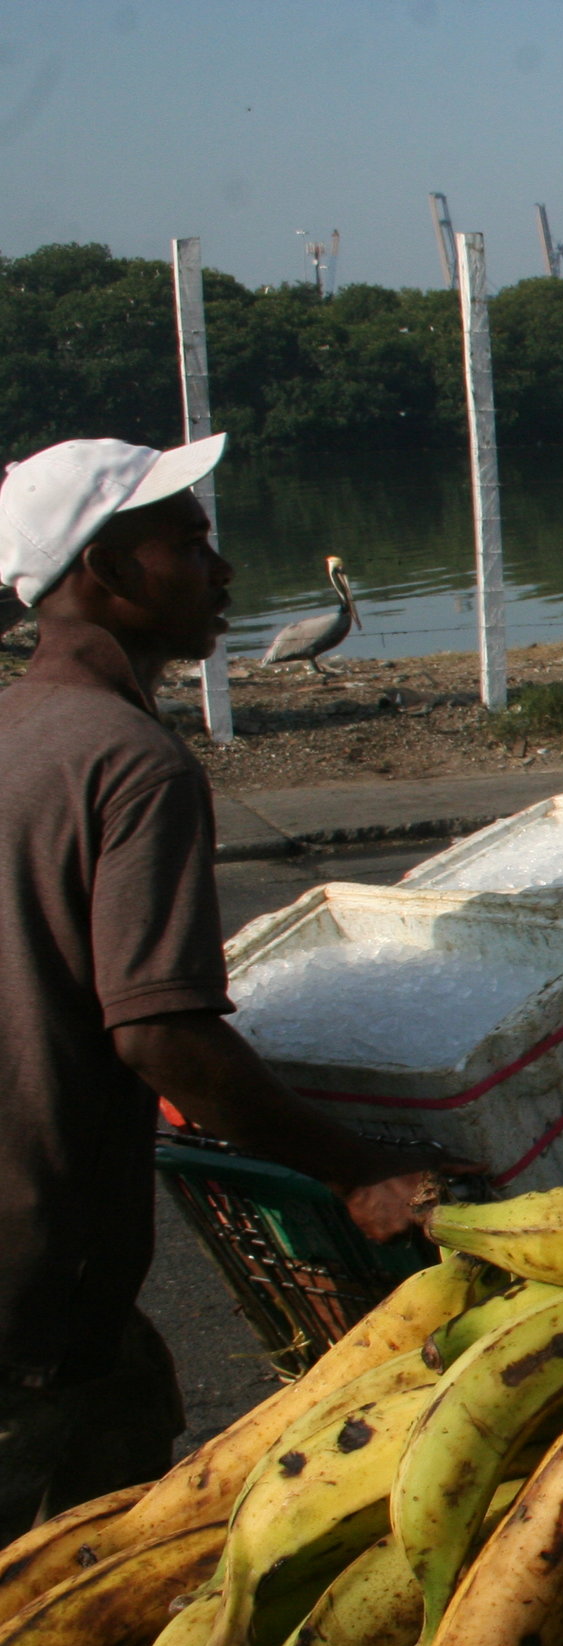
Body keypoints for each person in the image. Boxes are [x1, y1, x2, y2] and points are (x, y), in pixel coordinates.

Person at [0, 436, 451, 1534]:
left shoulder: (18, 729)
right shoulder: (129, 761)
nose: (222, 567)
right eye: (189, 541)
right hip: (33, 1290)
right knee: (78, 1568)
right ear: (107, 569)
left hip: (47, 1291)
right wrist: (357, 1169)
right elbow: (162, 1034)